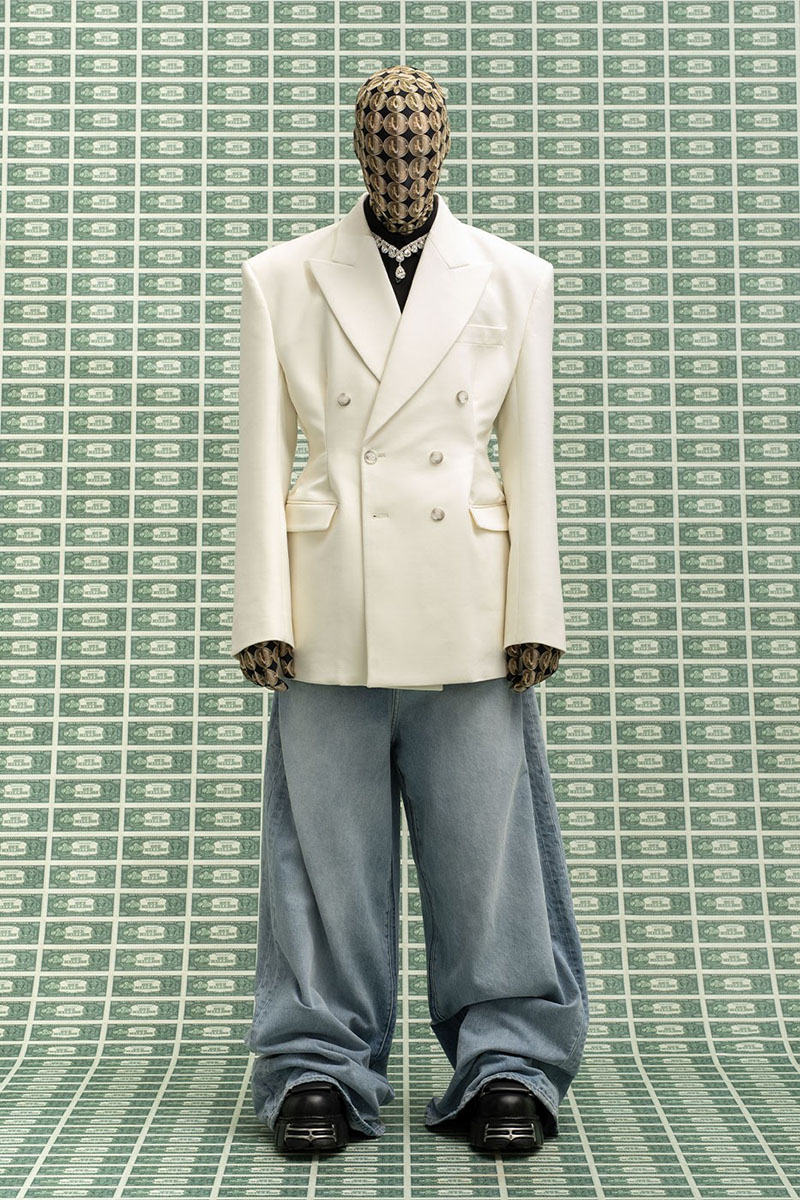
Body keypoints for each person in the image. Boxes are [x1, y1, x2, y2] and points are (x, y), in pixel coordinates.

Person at [232, 64, 590, 1155]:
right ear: (359, 146)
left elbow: (527, 456)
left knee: (490, 850)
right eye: (384, 137)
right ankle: (316, 1062)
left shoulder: (513, 278)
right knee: (322, 857)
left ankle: (507, 1059)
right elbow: (262, 456)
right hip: (328, 599)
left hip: (469, 603)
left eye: (418, 136)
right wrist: (260, 609)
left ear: (443, 145)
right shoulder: (281, 277)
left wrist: (536, 610)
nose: (401, 154)